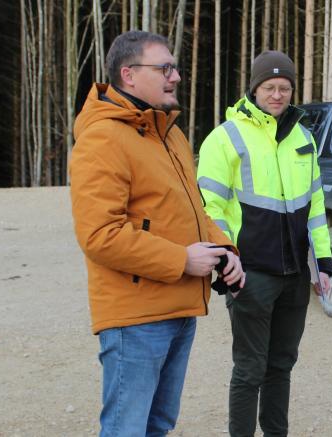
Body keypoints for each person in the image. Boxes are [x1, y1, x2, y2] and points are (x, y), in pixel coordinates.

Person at [69, 30, 245, 437]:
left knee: (157, 426)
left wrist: (223, 249)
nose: (176, 76)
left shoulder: (170, 134)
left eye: (175, 67)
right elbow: (100, 234)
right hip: (136, 316)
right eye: (164, 68)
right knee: (127, 429)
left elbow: (192, 211)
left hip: (178, 306)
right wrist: (181, 260)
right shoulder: (102, 137)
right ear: (128, 75)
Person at [196, 50, 332, 437]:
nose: (277, 95)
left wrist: (323, 261)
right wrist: (225, 262)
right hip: (250, 273)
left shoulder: (303, 137)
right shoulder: (226, 138)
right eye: (269, 87)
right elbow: (210, 208)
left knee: (282, 365)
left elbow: (317, 206)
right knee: (250, 368)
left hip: (293, 275)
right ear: (254, 90)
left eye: (284, 87)